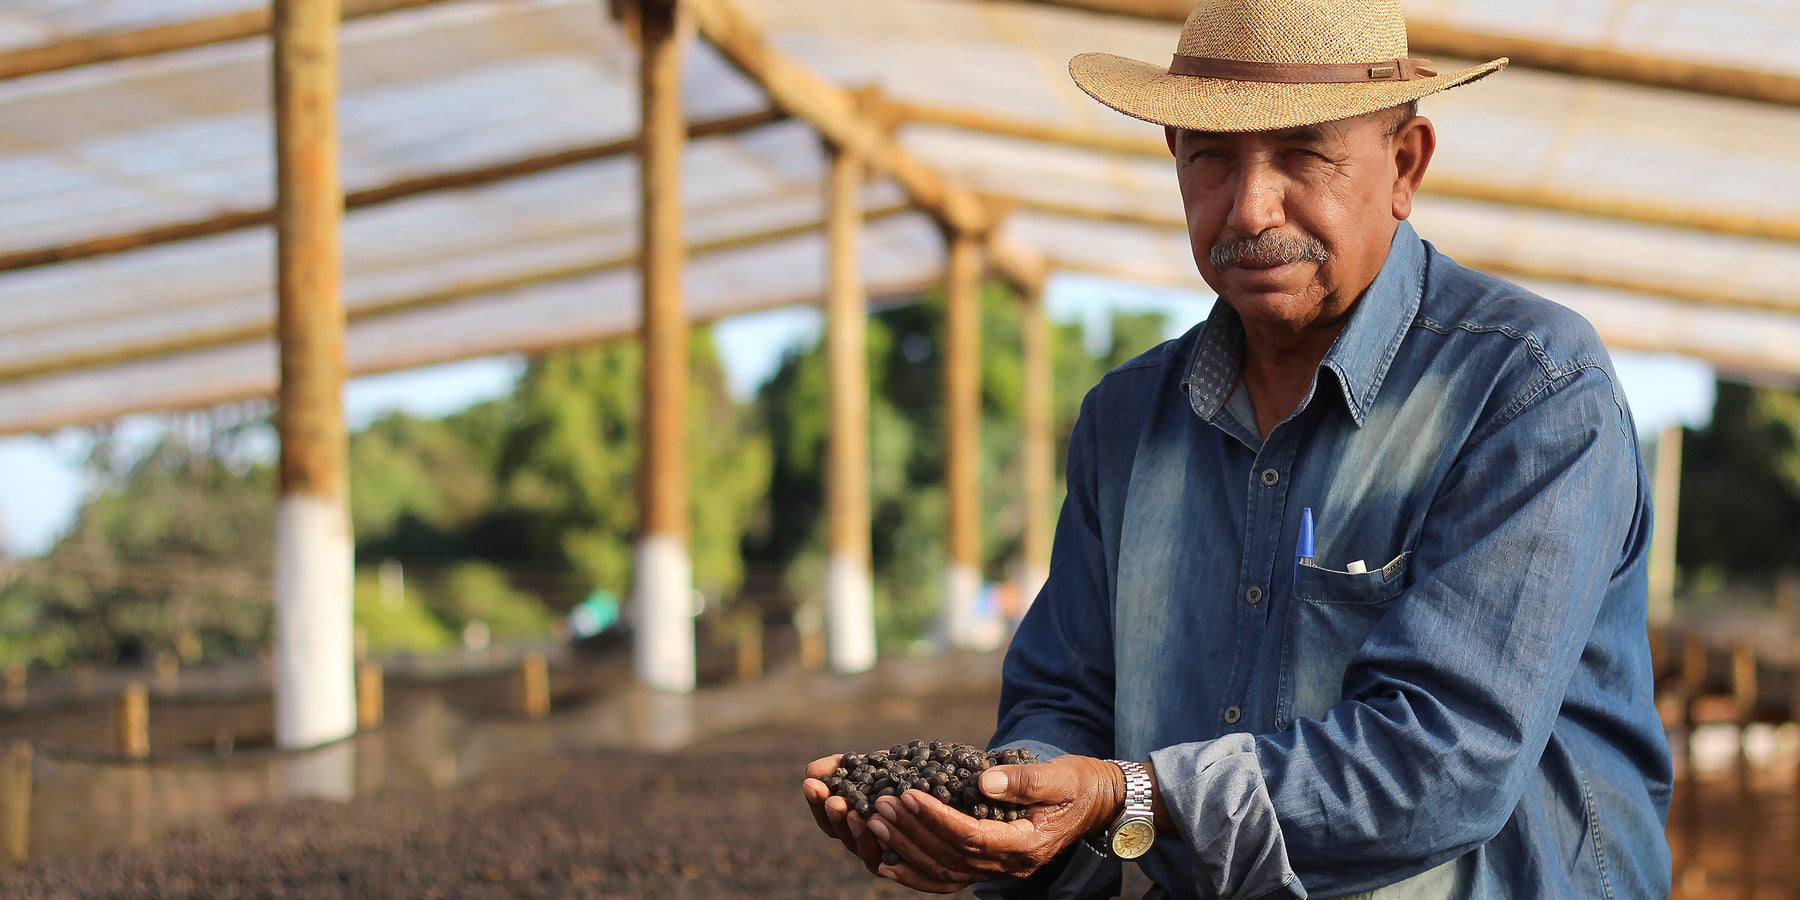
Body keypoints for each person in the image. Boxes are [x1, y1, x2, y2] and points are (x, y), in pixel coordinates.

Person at [802, 0, 1673, 896]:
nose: (1251, 207)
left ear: (1404, 164)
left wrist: (1128, 797)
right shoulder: (1126, 419)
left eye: (1303, 152)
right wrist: (999, 807)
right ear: (1175, 157)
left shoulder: (1528, 388)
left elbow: (1447, 755)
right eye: (1213, 157)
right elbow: (1065, 696)